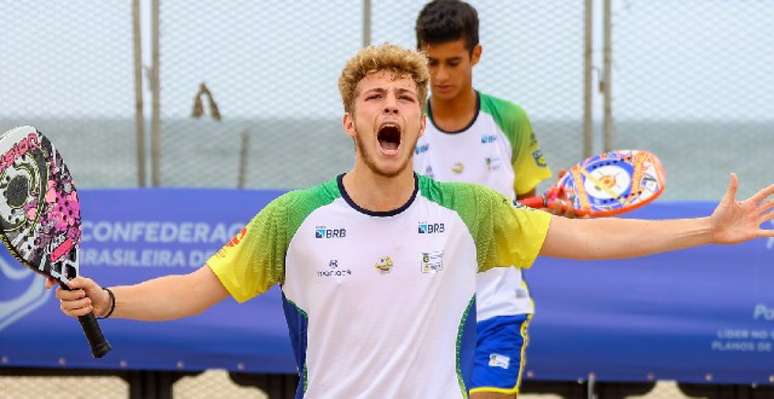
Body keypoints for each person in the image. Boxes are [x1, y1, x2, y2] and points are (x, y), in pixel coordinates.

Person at [51, 44, 773, 399]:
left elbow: (585, 237)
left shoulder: (471, 211)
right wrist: (111, 299)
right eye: (375, 95)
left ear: (420, 122)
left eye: (405, 95)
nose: (391, 104)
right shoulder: (294, 218)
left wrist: (703, 230)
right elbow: (198, 287)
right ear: (351, 121)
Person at [413, 1, 568, 397]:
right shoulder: (404, 126)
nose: (441, 75)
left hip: (498, 307)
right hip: (423, 313)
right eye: (431, 62)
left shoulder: (508, 120)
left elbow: (529, 210)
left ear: (476, 55)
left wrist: (563, 210)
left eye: (453, 62)